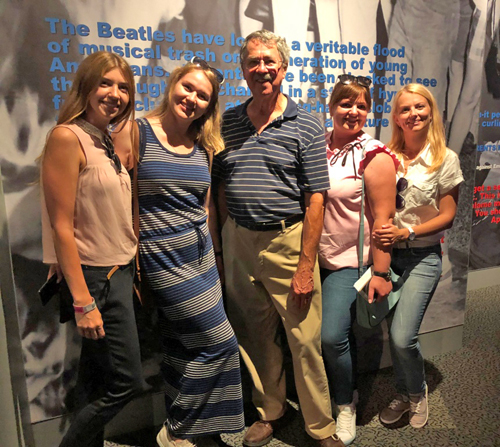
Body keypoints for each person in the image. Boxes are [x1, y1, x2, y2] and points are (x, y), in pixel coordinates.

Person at [212, 30, 342, 447]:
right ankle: (271, 411)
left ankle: (320, 427)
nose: (261, 69)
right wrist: (221, 245)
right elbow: (217, 190)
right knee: (254, 334)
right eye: (253, 62)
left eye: (270, 61)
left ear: (283, 68)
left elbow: (316, 196)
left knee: (304, 340)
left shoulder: (305, 121)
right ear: (243, 69)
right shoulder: (228, 121)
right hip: (239, 242)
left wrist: (307, 264)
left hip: (289, 241)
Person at [114, 58, 244, 447]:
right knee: (220, 342)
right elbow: (112, 197)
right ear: (173, 85)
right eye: (188, 88)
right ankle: (177, 431)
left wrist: (218, 259)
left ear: (209, 105)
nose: (192, 98)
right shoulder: (134, 132)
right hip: (160, 256)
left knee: (183, 346)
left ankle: (200, 433)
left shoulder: (204, 146)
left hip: (201, 256)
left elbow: (205, 208)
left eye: (202, 95)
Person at [40, 51, 147, 447]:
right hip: (95, 280)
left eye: (123, 87)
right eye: (105, 83)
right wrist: (84, 302)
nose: (115, 93)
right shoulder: (68, 137)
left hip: (118, 274)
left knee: (98, 380)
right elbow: (61, 227)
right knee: (127, 382)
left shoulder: (105, 140)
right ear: (86, 86)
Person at [374, 84, 463, 428]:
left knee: (402, 335)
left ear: (431, 111)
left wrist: (407, 231)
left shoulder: (445, 158)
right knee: (392, 334)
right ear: (396, 117)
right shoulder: (386, 155)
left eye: (419, 107)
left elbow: (447, 216)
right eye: (405, 109)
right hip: (387, 257)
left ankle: (416, 392)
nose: (413, 114)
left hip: (423, 256)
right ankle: (403, 389)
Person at [318, 75, 398, 446]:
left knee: (333, 337)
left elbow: (384, 222)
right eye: (345, 103)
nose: (352, 111)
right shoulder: (317, 145)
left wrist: (380, 272)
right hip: (308, 259)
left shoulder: (374, 155)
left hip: (347, 263)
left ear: (368, 110)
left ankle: (345, 403)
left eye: (361, 105)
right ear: (331, 106)